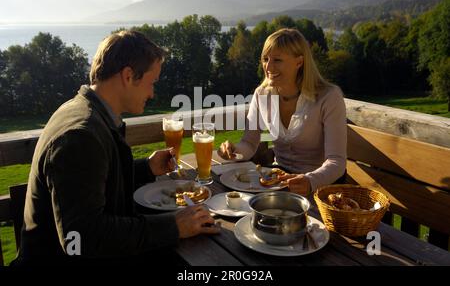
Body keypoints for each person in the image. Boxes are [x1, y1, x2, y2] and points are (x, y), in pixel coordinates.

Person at [12, 30, 219, 266]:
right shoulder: (80, 136)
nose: (152, 93)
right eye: (152, 83)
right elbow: (81, 239)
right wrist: (173, 226)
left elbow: (92, 179)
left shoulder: (84, 111)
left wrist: (146, 168)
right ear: (129, 76)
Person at [218, 28, 347, 196]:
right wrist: (234, 150)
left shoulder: (329, 97)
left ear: (299, 62)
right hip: (279, 180)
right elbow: (249, 144)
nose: (268, 66)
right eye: (265, 59)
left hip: (322, 186)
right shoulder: (262, 94)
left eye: (277, 60)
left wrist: (310, 181)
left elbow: (337, 161)